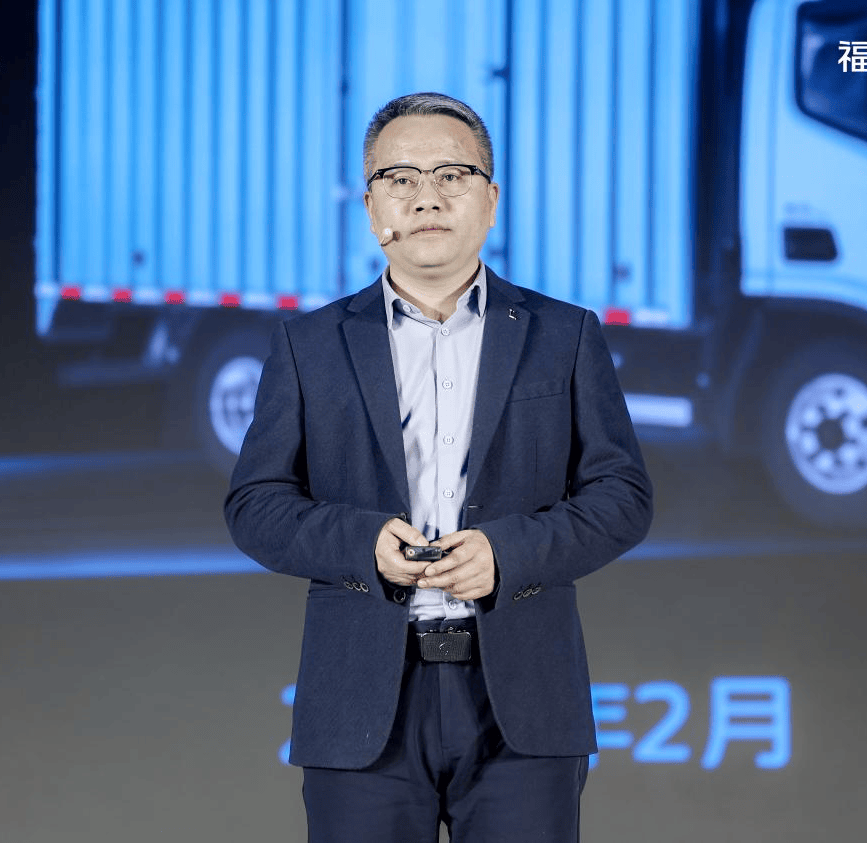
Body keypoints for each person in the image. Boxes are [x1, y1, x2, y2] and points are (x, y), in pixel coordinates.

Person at [224, 92, 652, 842]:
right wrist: (362, 542)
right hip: (361, 698)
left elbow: (621, 495)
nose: (426, 197)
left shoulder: (564, 334)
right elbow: (255, 503)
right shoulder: (308, 345)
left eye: (452, 175)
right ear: (371, 208)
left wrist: (508, 552)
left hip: (522, 696)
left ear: (490, 200)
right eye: (400, 178)